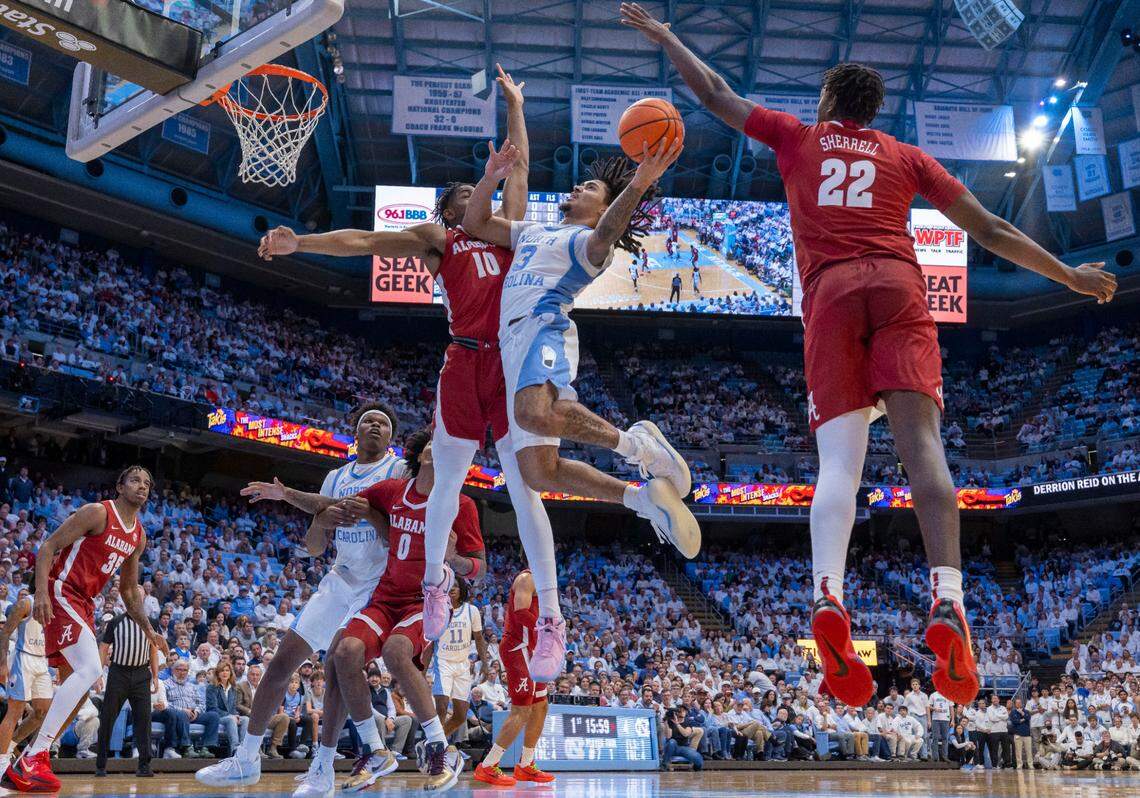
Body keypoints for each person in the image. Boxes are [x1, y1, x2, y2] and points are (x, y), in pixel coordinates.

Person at [621, 0, 1117, 709]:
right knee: (924, 451)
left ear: (828, 102)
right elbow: (992, 226)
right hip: (897, 287)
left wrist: (668, 35)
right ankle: (948, 599)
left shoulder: (797, 137)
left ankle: (829, 594)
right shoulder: (907, 156)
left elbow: (714, 95)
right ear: (874, 111)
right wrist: (1068, 276)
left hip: (830, 296)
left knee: (840, 467)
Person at [252, 67, 534, 668]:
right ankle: (431, 584)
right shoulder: (441, 240)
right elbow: (364, 243)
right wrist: (300, 242)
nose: (474, 200)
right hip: (466, 357)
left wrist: (514, 104)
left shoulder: (511, 232)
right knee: (446, 476)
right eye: (464, 197)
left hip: (512, 361)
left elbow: (521, 167)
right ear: (452, 209)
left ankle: (541, 602)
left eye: (476, 194)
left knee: (528, 475)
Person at [462, 130, 700, 683]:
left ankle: (639, 445)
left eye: (590, 185)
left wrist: (637, 185)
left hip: (542, 329)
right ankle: (642, 499)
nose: (578, 185)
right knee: (538, 473)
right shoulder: (535, 231)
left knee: (531, 414)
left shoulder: (587, 243)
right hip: (512, 345)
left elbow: (610, 230)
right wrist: (493, 176)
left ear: (601, 207)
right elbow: (475, 223)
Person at [196, 402, 404, 787]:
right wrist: (322, 519)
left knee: (337, 667)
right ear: (355, 434)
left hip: (376, 585)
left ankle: (323, 768)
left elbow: (400, 533)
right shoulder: (336, 477)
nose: (375, 426)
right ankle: (246, 759)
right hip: (339, 580)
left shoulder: (398, 472)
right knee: (280, 664)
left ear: (391, 438)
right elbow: (313, 547)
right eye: (367, 422)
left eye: (383, 424)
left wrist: (368, 515)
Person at [296, 428, 483, 796]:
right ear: (420, 453)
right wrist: (284, 493)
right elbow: (331, 503)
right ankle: (376, 749)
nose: (439, 448)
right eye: (434, 443)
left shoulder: (462, 504)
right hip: (386, 596)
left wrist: (454, 558)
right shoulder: (392, 491)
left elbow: (478, 567)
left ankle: (441, 748)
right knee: (344, 652)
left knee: (397, 652)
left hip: (424, 601)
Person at [4, 466, 168, 792]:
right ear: (120, 486)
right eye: (135, 480)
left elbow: (128, 591)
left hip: (85, 603)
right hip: (61, 590)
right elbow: (48, 547)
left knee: (78, 694)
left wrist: (149, 630)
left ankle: (28, 758)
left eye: (147, 483)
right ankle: (34, 756)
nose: (142, 486)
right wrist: (39, 593)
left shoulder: (138, 535)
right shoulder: (97, 512)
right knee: (91, 666)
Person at [474, 570, 554, 786]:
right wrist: (550, 626)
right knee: (522, 709)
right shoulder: (527, 578)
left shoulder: (546, 581)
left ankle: (526, 765)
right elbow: (520, 613)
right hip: (518, 647)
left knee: (541, 706)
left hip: (533, 649)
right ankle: (488, 765)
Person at [426, 578, 491, 740]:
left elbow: (479, 638)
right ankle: (436, 747)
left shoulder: (472, 610)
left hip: (462, 665)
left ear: (462, 589)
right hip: (443, 662)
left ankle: (435, 742)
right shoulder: (438, 610)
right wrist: (422, 669)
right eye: (449, 586)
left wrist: (484, 662)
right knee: (441, 706)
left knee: (461, 715)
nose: (453, 589)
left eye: (456, 586)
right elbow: (429, 642)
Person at [95, 613, 156, 777]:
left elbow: (153, 649)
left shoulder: (150, 622)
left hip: (142, 674)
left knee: (144, 720)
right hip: (118, 673)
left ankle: (144, 765)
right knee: (108, 718)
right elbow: (103, 647)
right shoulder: (116, 622)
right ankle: (100, 765)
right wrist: (98, 673)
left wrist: (156, 676)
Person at [0, 586, 51, 775]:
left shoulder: (55, 604)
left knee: (42, 712)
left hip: (42, 661)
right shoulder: (25, 603)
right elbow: (5, 632)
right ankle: (1, 762)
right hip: (24, 658)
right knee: (15, 712)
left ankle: (11, 745)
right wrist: (3, 664)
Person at [206, 661, 247, 758]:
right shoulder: (212, 687)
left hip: (229, 716)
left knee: (246, 719)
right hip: (216, 717)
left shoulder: (233, 688)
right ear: (218, 673)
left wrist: (235, 715)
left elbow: (233, 707)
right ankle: (235, 749)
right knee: (230, 720)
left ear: (230, 673)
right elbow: (212, 708)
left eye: (227, 670)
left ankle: (243, 748)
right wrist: (231, 716)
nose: (224, 673)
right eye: (222, 671)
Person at [661, 707, 703, 771]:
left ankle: (696, 767)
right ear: (676, 713)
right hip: (671, 747)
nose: (681, 712)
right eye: (679, 711)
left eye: (683, 711)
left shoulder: (688, 721)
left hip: (683, 747)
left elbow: (686, 734)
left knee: (699, 760)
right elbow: (668, 736)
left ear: (686, 712)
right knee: (672, 741)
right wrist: (666, 722)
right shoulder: (670, 722)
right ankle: (664, 764)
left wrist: (677, 724)